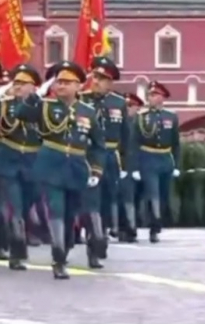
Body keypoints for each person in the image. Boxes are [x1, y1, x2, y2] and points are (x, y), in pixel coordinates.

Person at [15, 61, 106, 280]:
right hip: (50, 165)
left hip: (76, 167)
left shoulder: (88, 112)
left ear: (78, 86)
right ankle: (58, 257)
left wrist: (96, 170)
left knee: (70, 214)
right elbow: (21, 113)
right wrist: (36, 95)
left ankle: (64, 248)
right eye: (59, 82)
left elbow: (99, 145)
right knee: (55, 210)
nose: (61, 86)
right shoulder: (45, 106)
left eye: (67, 82)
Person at [0, 64, 41, 271]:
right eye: (16, 82)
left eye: (23, 83)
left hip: (33, 163)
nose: (18, 86)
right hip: (8, 162)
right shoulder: (3, 105)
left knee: (26, 206)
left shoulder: (43, 106)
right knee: (14, 209)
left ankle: (9, 246)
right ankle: (17, 253)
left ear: (34, 86)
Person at [80, 56, 127, 264]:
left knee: (107, 201)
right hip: (87, 156)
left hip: (110, 157)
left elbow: (126, 136)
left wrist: (127, 165)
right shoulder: (82, 99)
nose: (97, 82)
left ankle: (102, 235)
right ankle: (94, 243)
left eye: (102, 79)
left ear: (110, 82)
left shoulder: (119, 103)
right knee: (91, 201)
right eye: (95, 77)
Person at [128, 81, 180, 243]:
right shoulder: (141, 117)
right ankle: (154, 227)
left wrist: (177, 165)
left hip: (165, 159)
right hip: (147, 159)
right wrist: (135, 167)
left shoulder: (171, 117)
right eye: (150, 95)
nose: (151, 98)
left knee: (163, 195)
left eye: (154, 95)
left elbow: (176, 143)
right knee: (153, 194)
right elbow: (134, 143)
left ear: (162, 98)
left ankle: (157, 223)